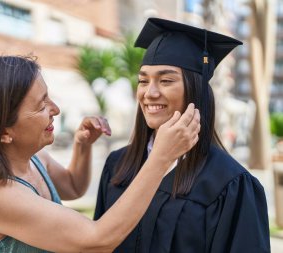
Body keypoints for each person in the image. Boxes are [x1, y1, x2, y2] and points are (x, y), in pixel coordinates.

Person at [0, 55, 200, 253]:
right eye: (41, 106)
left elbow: (72, 186)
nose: (55, 110)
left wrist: (83, 146)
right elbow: (99, 240)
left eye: (48, 97)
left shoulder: (34, 160)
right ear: (2, 132)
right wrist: (161, 157)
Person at [94, 18, 270, 253]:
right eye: (143, 81)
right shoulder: (117, 166)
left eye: (166, 80)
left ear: (196, 89)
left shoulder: (230, 184)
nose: (150, 93)